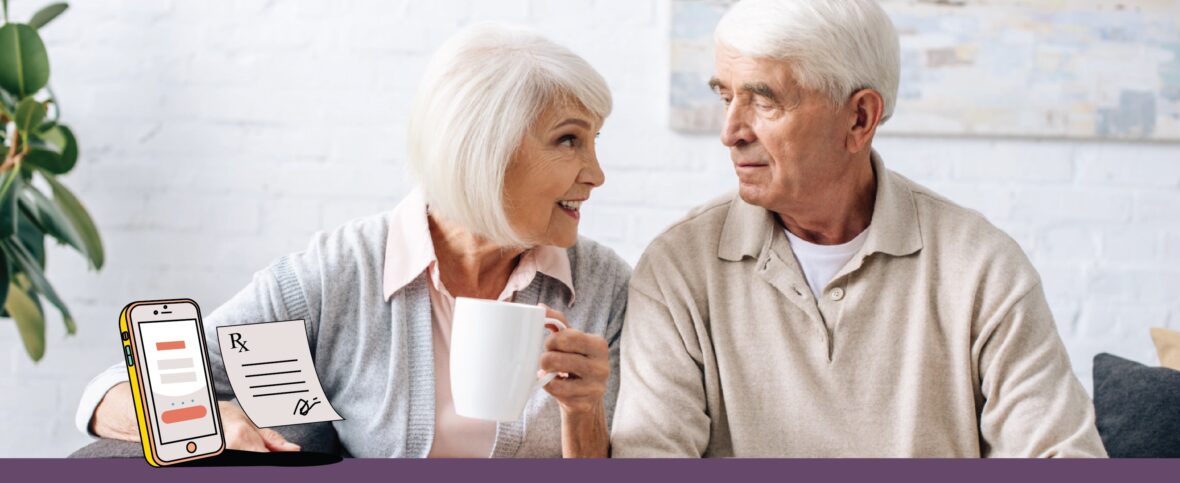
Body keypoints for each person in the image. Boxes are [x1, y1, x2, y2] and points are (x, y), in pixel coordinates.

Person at [76, 24, 629, 458]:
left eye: (594, 140)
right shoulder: (341, 275)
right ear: (485, 149)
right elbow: (117, 390)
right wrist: (210, 420)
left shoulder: (607, 289)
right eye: (569, 140)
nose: (596, 174)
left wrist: (584, 415)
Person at [610, 0, 1106, 457]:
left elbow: (1062, 456)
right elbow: (649, 457)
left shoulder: (982, 268)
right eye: (726, 98)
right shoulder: (677, 268)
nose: (731, 132)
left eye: (763, 101)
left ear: (859, 117)